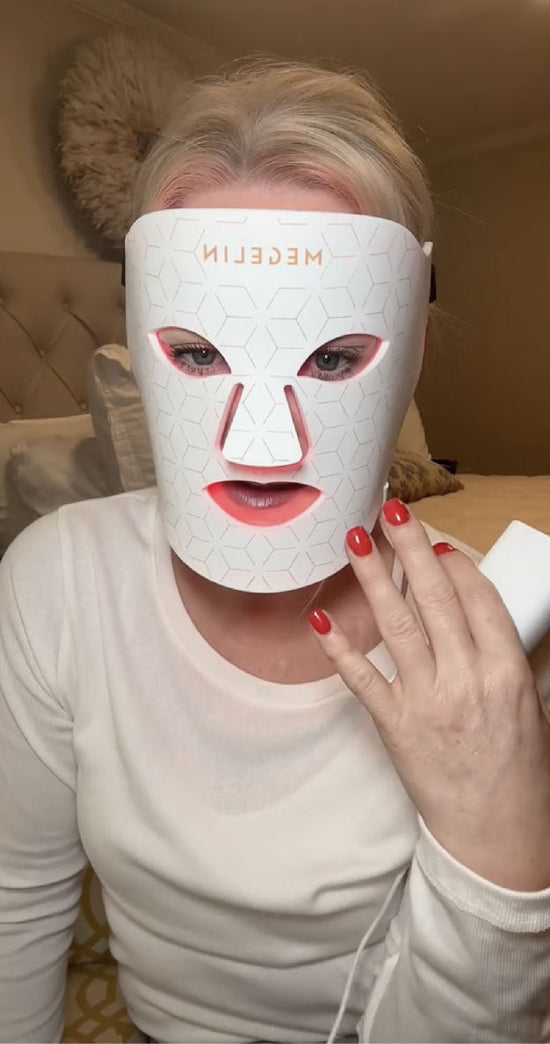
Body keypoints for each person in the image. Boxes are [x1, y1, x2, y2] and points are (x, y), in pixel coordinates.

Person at [1, 60, 550, 1044]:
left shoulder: (489, 638)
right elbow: (16, 905)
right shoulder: (57, 583)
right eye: (198, 355)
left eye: (334, 359)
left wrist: (496, 845)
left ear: (411, 355)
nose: (264, 447)